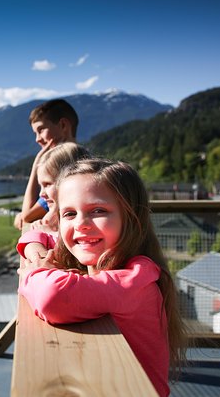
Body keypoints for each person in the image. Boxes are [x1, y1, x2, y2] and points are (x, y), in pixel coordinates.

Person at [17, 158, 186, 397]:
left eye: (98, 211)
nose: (81, 224)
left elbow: (51, 297)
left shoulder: (137, 276)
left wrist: (32, 272)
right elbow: (35, 236)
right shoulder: (100, 256)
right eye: (69, 213)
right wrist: (38, 256)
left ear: (132, 217)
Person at [14, 98, 79, 231]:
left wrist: (36, 164)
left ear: (63, 125)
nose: (37, 139)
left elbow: (27, 215)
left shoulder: (68, 166)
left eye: (41, 129)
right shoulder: (84, 158)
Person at [19, 142, 91, 261]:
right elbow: (30, 238)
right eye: (41, 186)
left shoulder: (85, 223)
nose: (41, 194)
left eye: (47, 184)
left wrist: (50, 234)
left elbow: (76, 259)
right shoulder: (48, 222)